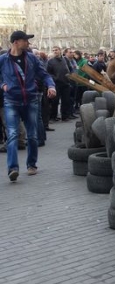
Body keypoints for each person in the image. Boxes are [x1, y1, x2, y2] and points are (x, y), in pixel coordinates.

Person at [0, 31, 56, 181]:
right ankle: (13, 168)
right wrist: (3, 84)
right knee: (12, 134)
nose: (28, 43)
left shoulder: (32, 58)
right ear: (16, 42)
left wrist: (51, 86)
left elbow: (44, 75)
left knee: (32, 135)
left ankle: (31, 164)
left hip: (31, 100)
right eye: (26, 40)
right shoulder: (3, 60)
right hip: (11, 101)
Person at [46, 46, 74, 121]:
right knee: (55, 101)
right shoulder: (50, 61)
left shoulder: (65, 60)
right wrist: (55, 78)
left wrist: (70, 76)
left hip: (66, 83)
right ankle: (53, 117)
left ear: (60, 51)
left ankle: (65, 116)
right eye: (53, 50)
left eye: (56, 50)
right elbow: (48, 73)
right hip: (56, 84)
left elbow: (70, 69)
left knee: (66, 101)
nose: (55, 51)